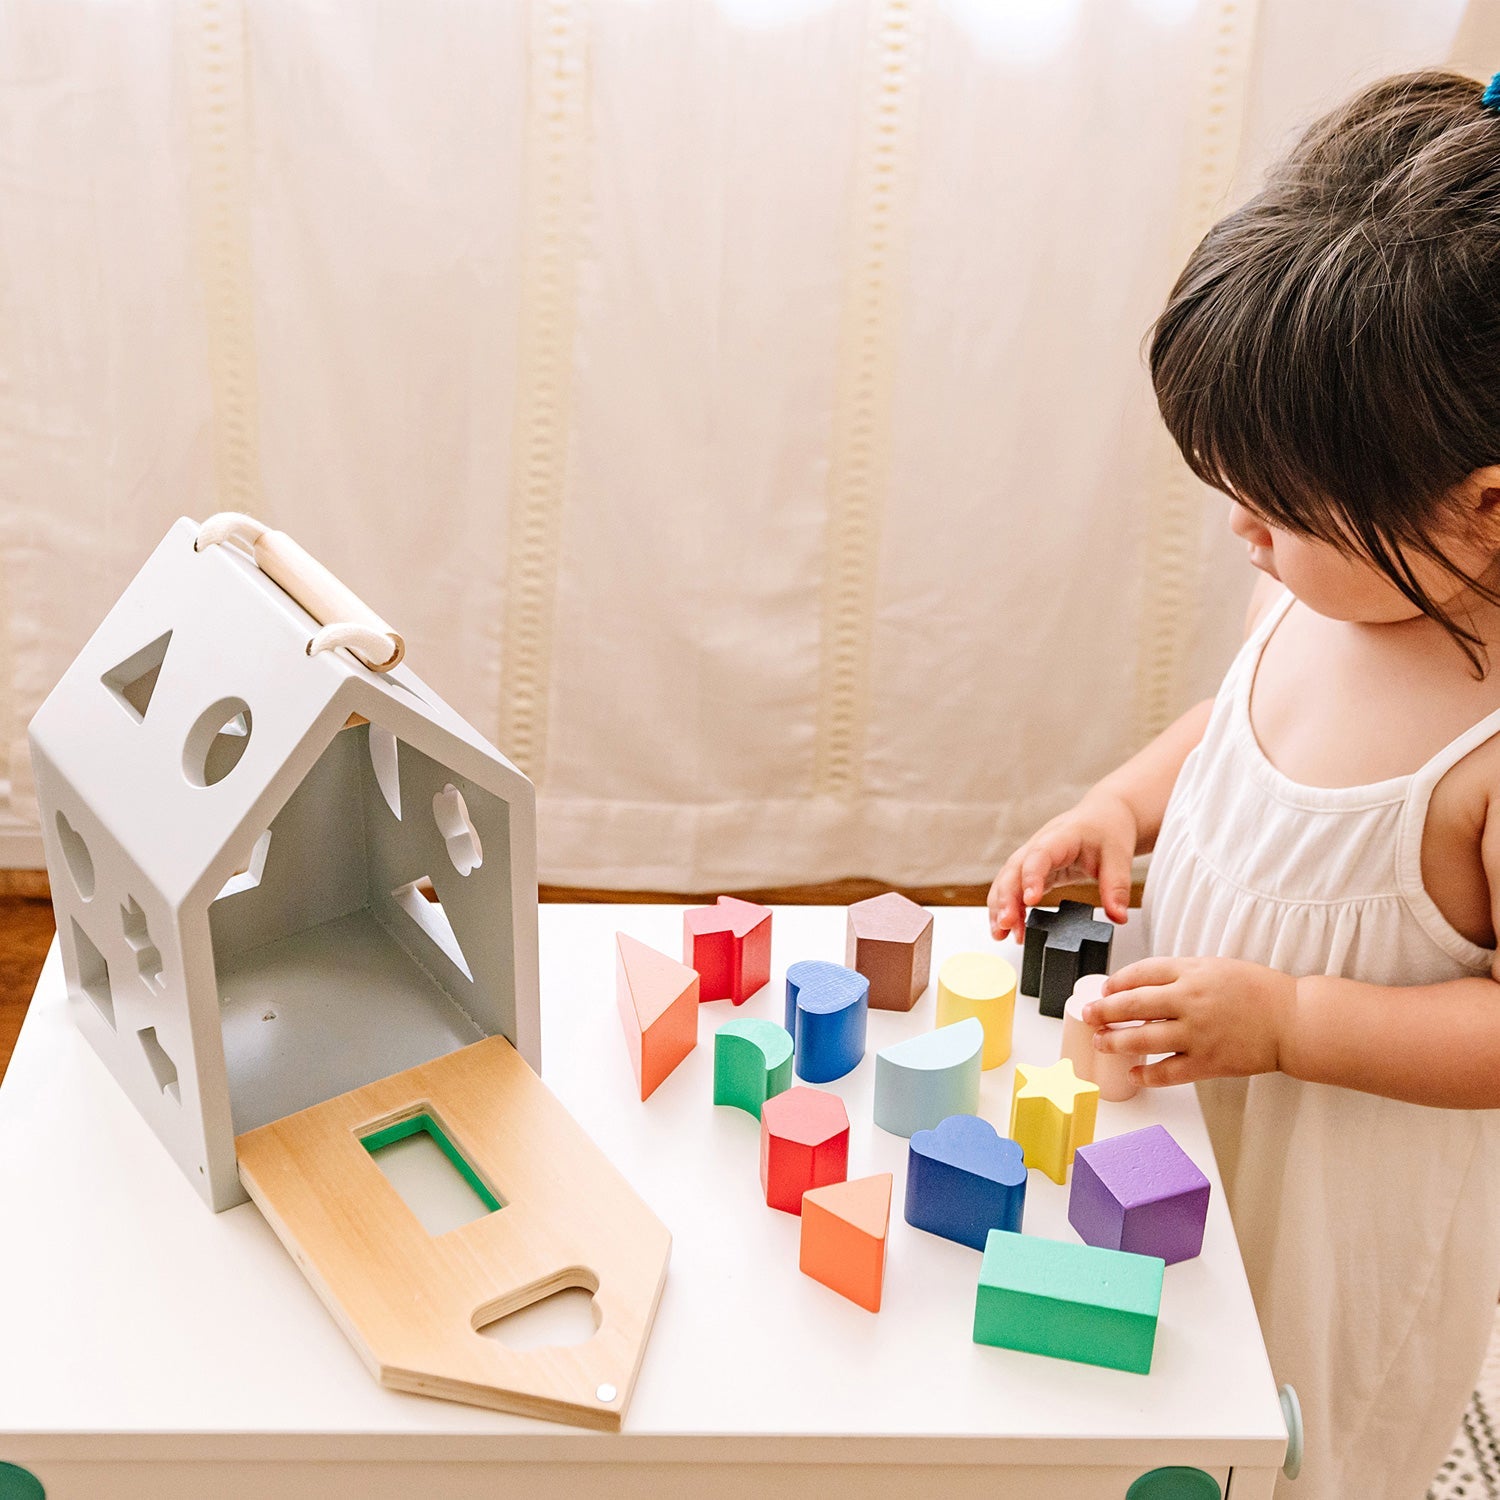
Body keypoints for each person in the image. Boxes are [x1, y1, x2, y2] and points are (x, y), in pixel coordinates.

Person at [988, 70, 1500, 1499]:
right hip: (1199, 1093)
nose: (1241, 529)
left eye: (1280, 506)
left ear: (1487, 505)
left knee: (1293, 1429)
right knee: (1145, 1359)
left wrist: (1288, 1020)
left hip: (1342, 1187)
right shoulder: (1346, 592)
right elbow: (1239, 724)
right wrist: (1121, 806)